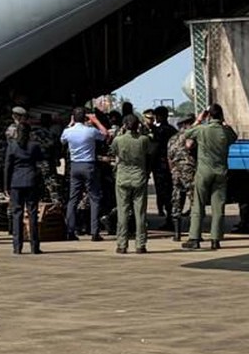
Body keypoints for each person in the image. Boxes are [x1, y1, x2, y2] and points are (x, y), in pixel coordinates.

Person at [182, 103, 237, 250]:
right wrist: (225, 123)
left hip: (204, 172)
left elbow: (186, 135)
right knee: (218, 207)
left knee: (198, 205)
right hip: (221, 172)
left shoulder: (202, 130)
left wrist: (199, 120)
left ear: (209, 116)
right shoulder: (225, 132)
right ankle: (215, 239)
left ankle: (194, 238)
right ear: (221, 116)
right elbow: (234, 136)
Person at [61, 107, 109, 241]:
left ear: (73, 118)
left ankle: (70, 231)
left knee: (73, 199)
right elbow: (105, 134)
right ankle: (94, 232)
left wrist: (70, 124)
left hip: (75, 166)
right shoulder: (90, 131)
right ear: (85, 118)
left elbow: (62, 140)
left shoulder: (68, 131)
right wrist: (96, 121)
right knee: (94, 197)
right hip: (89, 165)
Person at [110, 114, 152, 253]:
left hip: (122, 177)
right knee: (140, 213)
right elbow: (148, 151)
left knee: (122, 212)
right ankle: (140, 244)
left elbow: (113, 151)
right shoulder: (143, 140)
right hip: (139, 177)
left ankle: (122, 244)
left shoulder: (118, 140)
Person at [4, 118, 46, 254]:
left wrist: (6, 185)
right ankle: (34, 245)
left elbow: (7, 167)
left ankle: (17, 246)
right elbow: (40, 159)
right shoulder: (34, 145)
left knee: (17, 213)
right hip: (31, 180)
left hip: (16, 182)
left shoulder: (12, 146)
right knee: (32, 212)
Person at [166, 117, 197, 241]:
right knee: (194, 202)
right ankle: (194, 232)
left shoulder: (172, 139)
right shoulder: (191, 138)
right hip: (189, 173)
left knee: (177, 201)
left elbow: (169, 157)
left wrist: (173, 170)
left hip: (175, 173)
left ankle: (177, 234)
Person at [149, 106, 176, 229]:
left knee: (164, 192)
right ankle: (171, 216)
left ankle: (169, 218)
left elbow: (155, 147)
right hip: (169, 165)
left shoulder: (159, 131)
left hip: (160, 166)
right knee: (170, 192)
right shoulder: (172, 130)